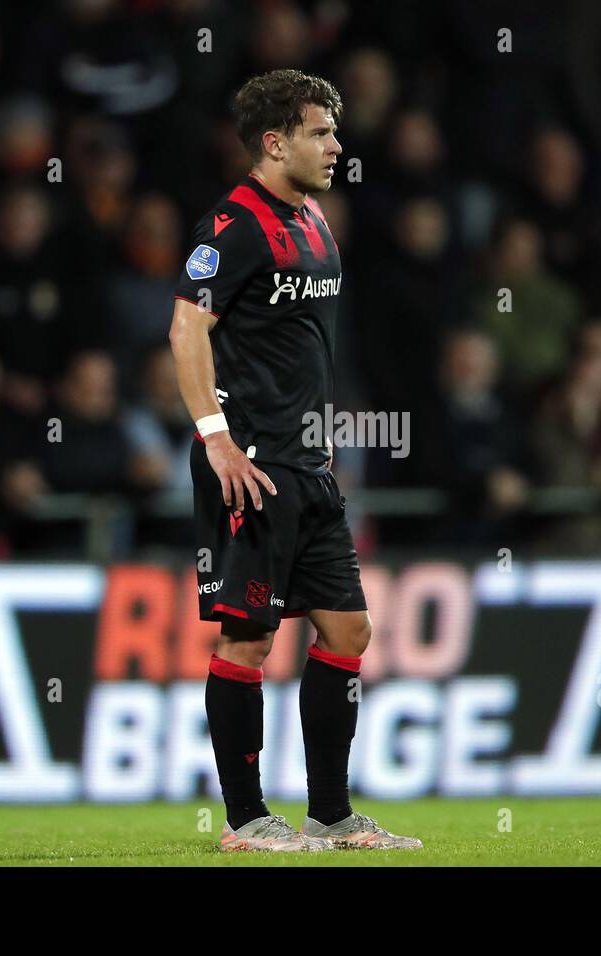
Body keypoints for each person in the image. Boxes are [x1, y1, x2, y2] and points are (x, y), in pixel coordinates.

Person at [168, 69, 420, 852]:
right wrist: (215, 437)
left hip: (309, 468)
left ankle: (331, 813)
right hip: (250, 464)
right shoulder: (231, 226)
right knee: (247, 641)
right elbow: (186, 329)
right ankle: (245, 820)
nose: (337, 145)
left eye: (335, 131)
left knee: (347, 631)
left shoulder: (313, 220)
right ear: (274, 143)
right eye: (320, 132)